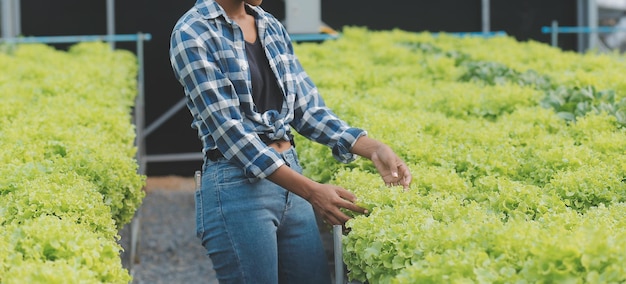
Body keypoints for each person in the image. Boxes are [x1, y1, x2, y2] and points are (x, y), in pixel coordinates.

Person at [169, 0, 412, 283]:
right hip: (237, 186)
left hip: (291, 181)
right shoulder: (193, 31)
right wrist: (312, 192)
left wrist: (373, 148)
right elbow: (231, 133)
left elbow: (306, 109)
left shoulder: (270, 26)